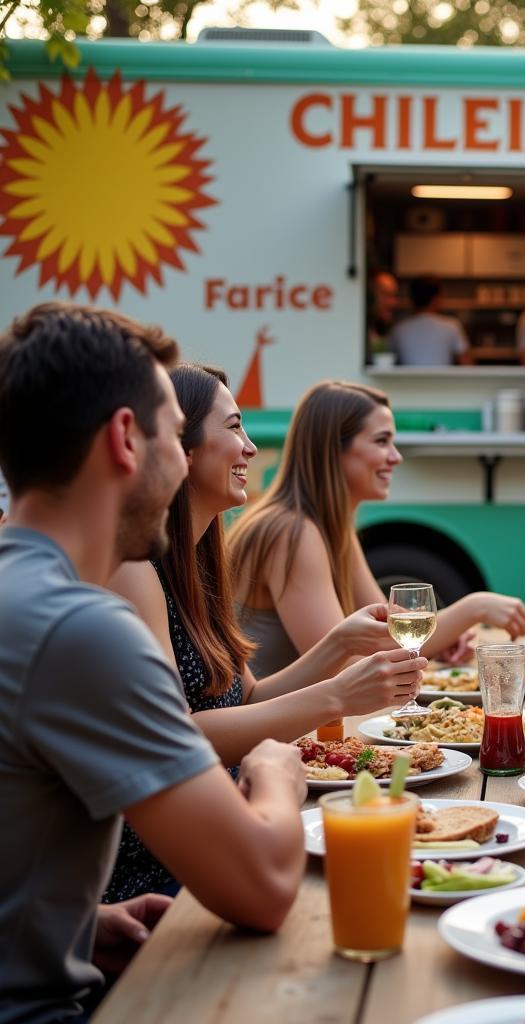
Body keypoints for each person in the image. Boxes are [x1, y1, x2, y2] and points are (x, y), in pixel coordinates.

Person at [0, 304, 306, 1022]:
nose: (181, 463)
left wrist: (71, 924)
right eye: (175, 434)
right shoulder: (79, 627)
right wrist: (276, 774)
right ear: (126, 440)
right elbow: (262, 886)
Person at [103, 363, 425, 901]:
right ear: (181, 448)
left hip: (234, 812)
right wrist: (336, 695)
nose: (251, 448)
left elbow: (249, 696)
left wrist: (338, 646)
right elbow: (174, 736)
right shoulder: (135, 570)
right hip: (169, 868)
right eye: (233, 428)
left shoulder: (199, 558)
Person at [229, 380, 525, 677]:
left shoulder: (327, 527)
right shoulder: (291, 532)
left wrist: (441, 638)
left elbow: (389, 636)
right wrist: (472, 608)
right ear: (333, 450)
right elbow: (343, 670)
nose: (396, 456)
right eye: (381, 441)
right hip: (274, 729)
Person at [388, 275, 472, 366]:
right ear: (435, 299)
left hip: (408, 380)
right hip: (442, 380)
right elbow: (467, 365)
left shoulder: (398, 329)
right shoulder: (452, 326)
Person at [367, 268, 399, 353]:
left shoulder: (379, 330)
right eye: (387, 295)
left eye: (394, 296)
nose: (394, 303)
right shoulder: (353, 330)